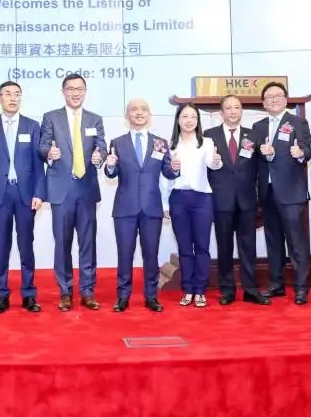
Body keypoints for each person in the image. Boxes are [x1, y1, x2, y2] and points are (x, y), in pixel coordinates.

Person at [39, 73, 107, 312]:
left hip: (86, 189)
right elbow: (43, 145)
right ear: (63, 91)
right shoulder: (51, 117)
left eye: (80, 89)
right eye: (71, 89)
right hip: (61, 190)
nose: (75, 93)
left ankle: (87, 291)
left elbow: (102, 145)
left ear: (85, 92)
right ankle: (65, 292)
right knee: (62, 243)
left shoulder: (94, 119)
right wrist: (49, 153)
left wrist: (100, 156)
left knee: (88, 243)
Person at [103, 99, 179, 312]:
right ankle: (123, 297)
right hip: (124, 208)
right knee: (124, 254)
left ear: (149, 114)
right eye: (134, 109)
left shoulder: (160, 143)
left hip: (151, 208)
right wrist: (110, 166)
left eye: (144, 109)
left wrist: (175, 168)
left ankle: (151, 296)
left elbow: (168, 172)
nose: (139, 113)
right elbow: (111, 173)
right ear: (127, 116)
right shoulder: (117, 143)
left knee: (151, 254)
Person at [0, 81, 46, 314]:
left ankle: (29, 294)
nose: (12, 98)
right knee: (2, 246)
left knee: (26, 246)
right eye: (7, 94)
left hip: (26, 195)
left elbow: (39, 165)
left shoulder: (32, 126)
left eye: (17, 94)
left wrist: (39, 192)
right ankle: (1, 295)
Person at [203, 95, 270, 306]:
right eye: (228, 108)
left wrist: (269, 154)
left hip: (247, 199)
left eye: (237, 107)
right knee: (224, 246)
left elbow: (261, 167)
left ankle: (251, 289)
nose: (233, 111)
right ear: (221, 113)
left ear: (241, 111)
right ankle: (227, 290)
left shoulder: (254, 135)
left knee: (248, 246)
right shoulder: (208, 136)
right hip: (220, 199)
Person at [252, 81, 311, 306]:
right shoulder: (258, 127)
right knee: (273, 240)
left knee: (296, 242)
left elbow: (308, 149)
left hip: (291, 192)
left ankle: (301, 287)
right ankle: (276, 284)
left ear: (286, 100)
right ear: (264, 103)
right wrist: (264, 154)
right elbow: (251, 156)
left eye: (278, 95)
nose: (274, 99)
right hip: (267, 192)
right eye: (269, 97)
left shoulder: (297, 122)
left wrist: (300, 153)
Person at [164, 103, 222, 308]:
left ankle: (200, 290)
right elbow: (165, 179)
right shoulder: (170, 145)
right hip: (178, 198)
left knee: (202, 246)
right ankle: (188, 289)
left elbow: (213, 164)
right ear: (178, 120)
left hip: (202, 199)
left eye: (193, 117)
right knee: (184, 247)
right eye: (185, 116)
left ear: (198, 121)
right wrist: (164, 204)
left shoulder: (206, 142)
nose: (189, 121)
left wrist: (216, 160)